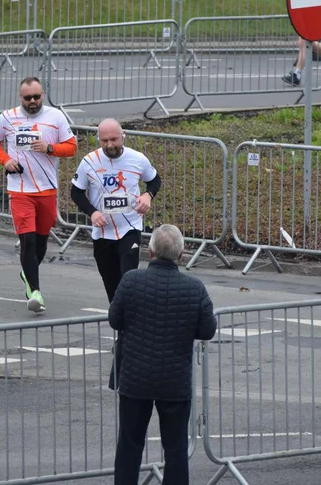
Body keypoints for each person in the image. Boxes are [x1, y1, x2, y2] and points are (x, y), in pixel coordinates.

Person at [109, 224, 216, 485]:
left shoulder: (131, 280)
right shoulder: (195, 288)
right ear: (181, 255)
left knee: (129, 447)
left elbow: (115, 319)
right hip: (175, 382)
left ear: (150, 251)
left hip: (135, 379)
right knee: (176, 449)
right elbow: (207, 330)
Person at [0, 77, 77, 313]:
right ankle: (34, 292)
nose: (33, 101)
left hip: (47, 189)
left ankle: (27, 273)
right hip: (20, 189)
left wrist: (49, 148)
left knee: (41, 242)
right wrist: (6, 161)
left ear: (43, 95)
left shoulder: (55, 117)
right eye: (28, 98)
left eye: (37, 97)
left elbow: (71, 147)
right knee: (28, 239)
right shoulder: (7, 118)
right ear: (20, 98)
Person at [71, 119, 161, 303]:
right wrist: (93, 212)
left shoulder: (137, 158)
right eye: (105, 141)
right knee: (112, 287)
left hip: (129, 228)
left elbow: (154, 180)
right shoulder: (90, 161)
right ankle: (120, 324)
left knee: (129, 281)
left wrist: (148, 196)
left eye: (114, 139)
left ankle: (130, 321)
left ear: (123, 136)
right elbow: (76, 192)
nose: (110, 145)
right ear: (98, 139)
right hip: (103, 232)